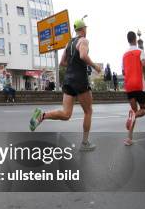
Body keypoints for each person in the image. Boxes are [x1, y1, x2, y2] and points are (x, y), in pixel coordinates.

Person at [29, 18, 102, 151]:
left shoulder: (69, 43)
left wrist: (73, 65)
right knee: (88, 111)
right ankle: (85, 143)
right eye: (86, 28)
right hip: (80, 81)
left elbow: (62, 62)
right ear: (83, 29)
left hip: (68, 80)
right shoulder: (83, 40)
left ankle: (42, 115)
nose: (86, 30)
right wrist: (95, 66)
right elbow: (83, 56)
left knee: (66, 114)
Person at [122, 31, 145, 146]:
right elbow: (143, 64)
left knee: (134, 111)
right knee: (142, 110)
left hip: (129, 86)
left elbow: (123, 71)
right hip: (138, 84)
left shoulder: (124, 55)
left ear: (128, 40)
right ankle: (134, 116)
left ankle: (129, 138)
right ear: (135, 40)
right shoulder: (140, 51)